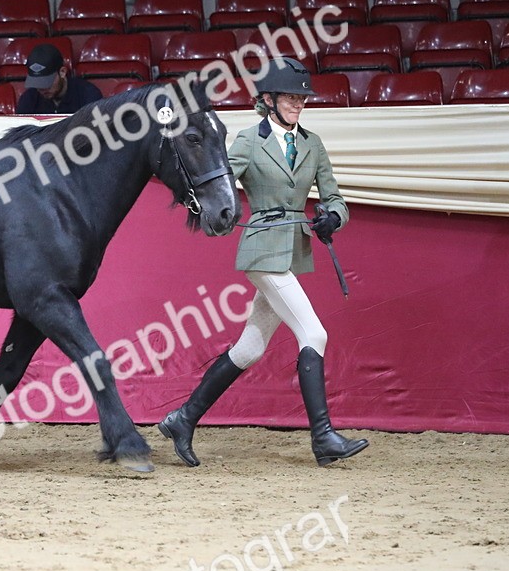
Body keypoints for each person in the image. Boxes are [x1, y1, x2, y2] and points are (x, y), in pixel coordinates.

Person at [157, 57, 368, 467]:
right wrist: (201, 204)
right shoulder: (249, 142)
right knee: (314, 333)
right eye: (290, 97)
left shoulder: (312, 144)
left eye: (302, 98)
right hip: (262, 250)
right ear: (268, 100)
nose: (299, 104)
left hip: (291, 250)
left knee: (250, 348)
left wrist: (333, 217)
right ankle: (323, 437)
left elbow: (335, 197)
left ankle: (182, 419)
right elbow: (219, 179)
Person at [15, 43, 102, 114]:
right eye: (36, 82)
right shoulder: (29, 99)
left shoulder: (88, 95)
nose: (41, 89)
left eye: (46, 82)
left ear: (62, 72)